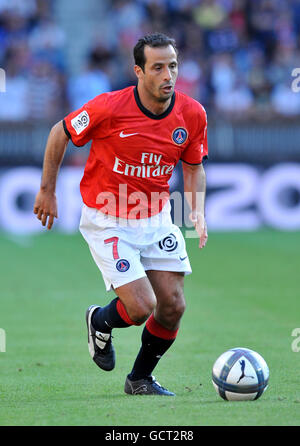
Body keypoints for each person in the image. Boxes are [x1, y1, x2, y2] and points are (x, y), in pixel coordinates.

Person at [33, 33, 208, 396]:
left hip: (157, 215)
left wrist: (198, 212)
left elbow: (192, 167)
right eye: (157, 67)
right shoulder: (109, 107)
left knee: (173, 306)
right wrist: (47, 190)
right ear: (138, 71)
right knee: (143, 306)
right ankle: (99, 319)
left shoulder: (192, 114)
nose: (167, 76)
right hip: (107, 216)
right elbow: (60, 132)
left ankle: (140, 379)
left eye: (172, 66)